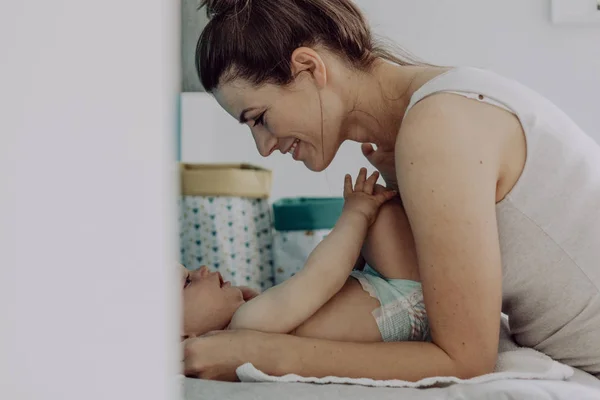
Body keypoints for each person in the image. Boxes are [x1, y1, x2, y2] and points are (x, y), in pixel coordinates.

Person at [184, 0, 600, 381]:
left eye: (259, 119)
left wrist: (259, 352)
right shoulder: (431, 116)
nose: (264, 146)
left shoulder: (438, 128)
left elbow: (467, 360)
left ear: (309, 68)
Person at [182, 170, 429, 349]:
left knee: (378, 208)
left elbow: (329, 293)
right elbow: (322, 275)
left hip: (388, 295)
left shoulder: (246, 327)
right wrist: (356, 213)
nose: (202, 269)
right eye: (187, 282)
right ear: (182, 337)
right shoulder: (246, 323)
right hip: (405, 302)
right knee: (376, 205)